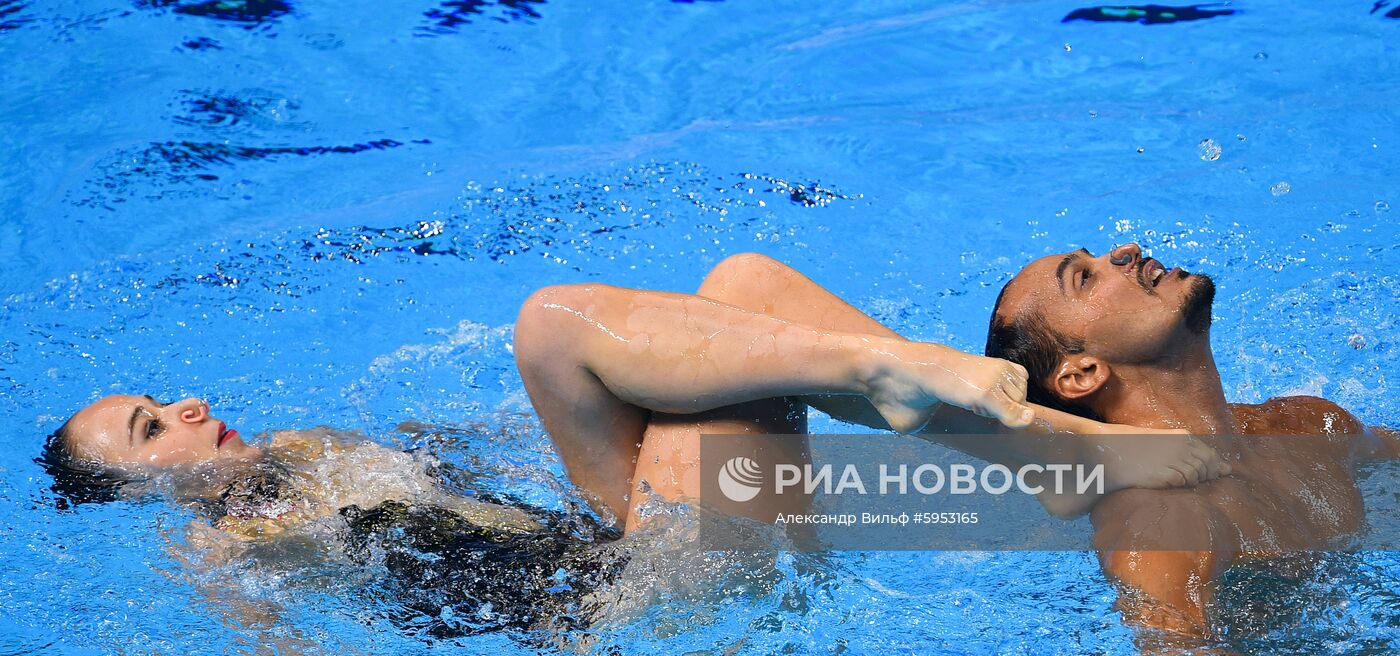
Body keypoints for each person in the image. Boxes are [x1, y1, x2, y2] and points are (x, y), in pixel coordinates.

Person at [511, 252, 1228, 533]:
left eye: (1083, 276)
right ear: (1072, 381)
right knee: (745, 285)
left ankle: (899, 379)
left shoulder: (1299, 430)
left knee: (555, 324)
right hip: (659, 617)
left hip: (648, 620)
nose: (1124, 254)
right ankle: (911, 385)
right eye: (1086, 272)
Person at [984, 242, 1400, 638]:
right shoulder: (1158, 524)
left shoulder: (1311, 424)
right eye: (1084, 279)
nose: (1126, 250)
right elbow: (1174, 644)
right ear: (1082, 374)